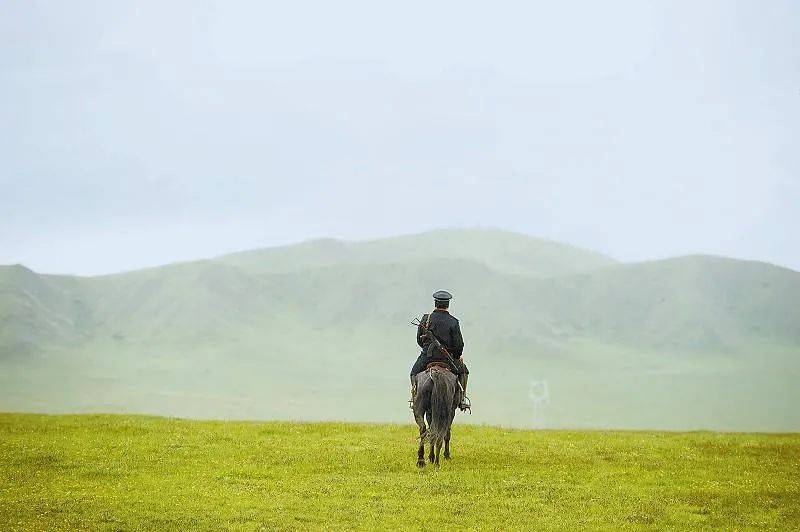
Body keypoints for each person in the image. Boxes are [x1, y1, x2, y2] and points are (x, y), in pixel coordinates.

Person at [410, 290, 470, 410]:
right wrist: (457, 356)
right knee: (464, 372)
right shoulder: (453, 322)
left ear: (435, 303)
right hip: (447, 359)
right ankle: (462, 399)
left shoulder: (426, 319)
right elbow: (459, 345)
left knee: (413, 373)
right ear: (448, 304)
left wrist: (426, 349)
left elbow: (419, 340)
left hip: (427, 357)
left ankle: (415, 398)